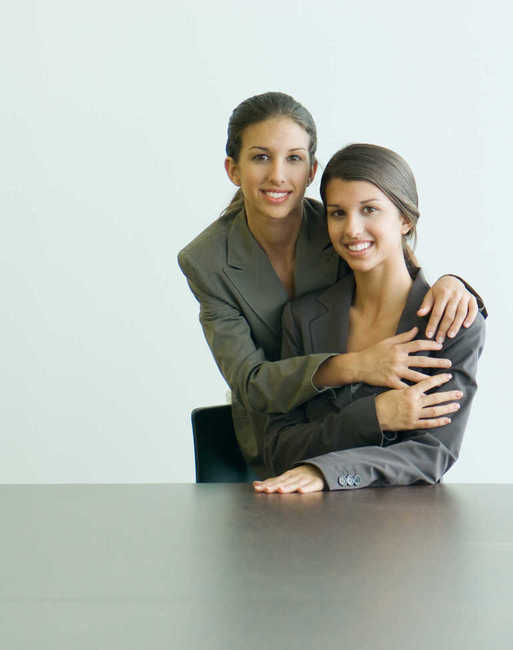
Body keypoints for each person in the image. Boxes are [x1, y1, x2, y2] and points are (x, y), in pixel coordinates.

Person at [178, 93, 486, 472]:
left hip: (365, 451)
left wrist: (453, 284)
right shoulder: (206, 261)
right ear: (233, 169)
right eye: (261, 157)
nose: (278, 175)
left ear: (311, 170)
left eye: (293, 158)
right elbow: (252, 383)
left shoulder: (337, 223)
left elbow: (390, 245)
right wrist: (356, 367)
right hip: (280, 437)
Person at [253, 143, 485, 493]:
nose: (351, 229)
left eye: (369, 210)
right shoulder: (302, 318)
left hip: (404, 521)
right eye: (338, 213)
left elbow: (432, 453)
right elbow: (280, 448)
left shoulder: (452, 324)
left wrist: (327, 472)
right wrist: (374, 415)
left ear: (405, 219)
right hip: (304, 518)